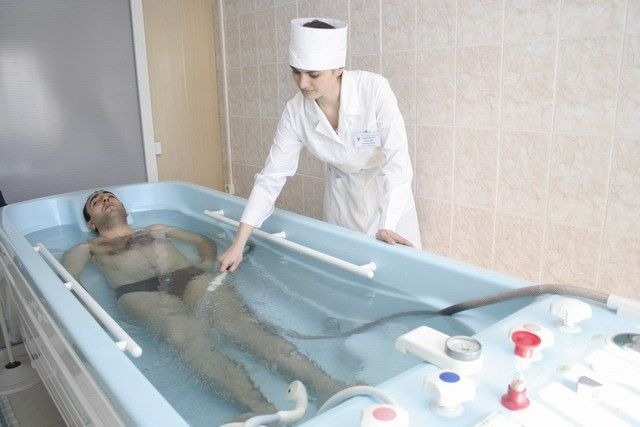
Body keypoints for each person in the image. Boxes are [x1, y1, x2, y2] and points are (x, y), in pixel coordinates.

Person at [62, 190, 347, 415]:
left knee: (243, 327)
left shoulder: (155, 229)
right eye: (97, 202)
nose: (106, 200)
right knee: (187, 340)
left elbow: (202, 241)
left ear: (125, 208)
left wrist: (206, 262)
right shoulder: (87, 248)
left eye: (110, 196)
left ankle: (328, 386)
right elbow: (67, 282)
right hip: (139, 293)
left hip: (191, 278)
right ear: (91, 223)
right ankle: (259, 409)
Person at [219, 18, 421, 272]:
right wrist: (238, 244)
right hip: (341, 201)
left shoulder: (374, 90)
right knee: (344, 276)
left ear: (338, 69)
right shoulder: (295, 112)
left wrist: (387, 223)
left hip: (387, 195)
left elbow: (398, 161)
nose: (303, 83)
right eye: (296, 72)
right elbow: (271, 177)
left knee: (400, 277)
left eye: (313, 74)